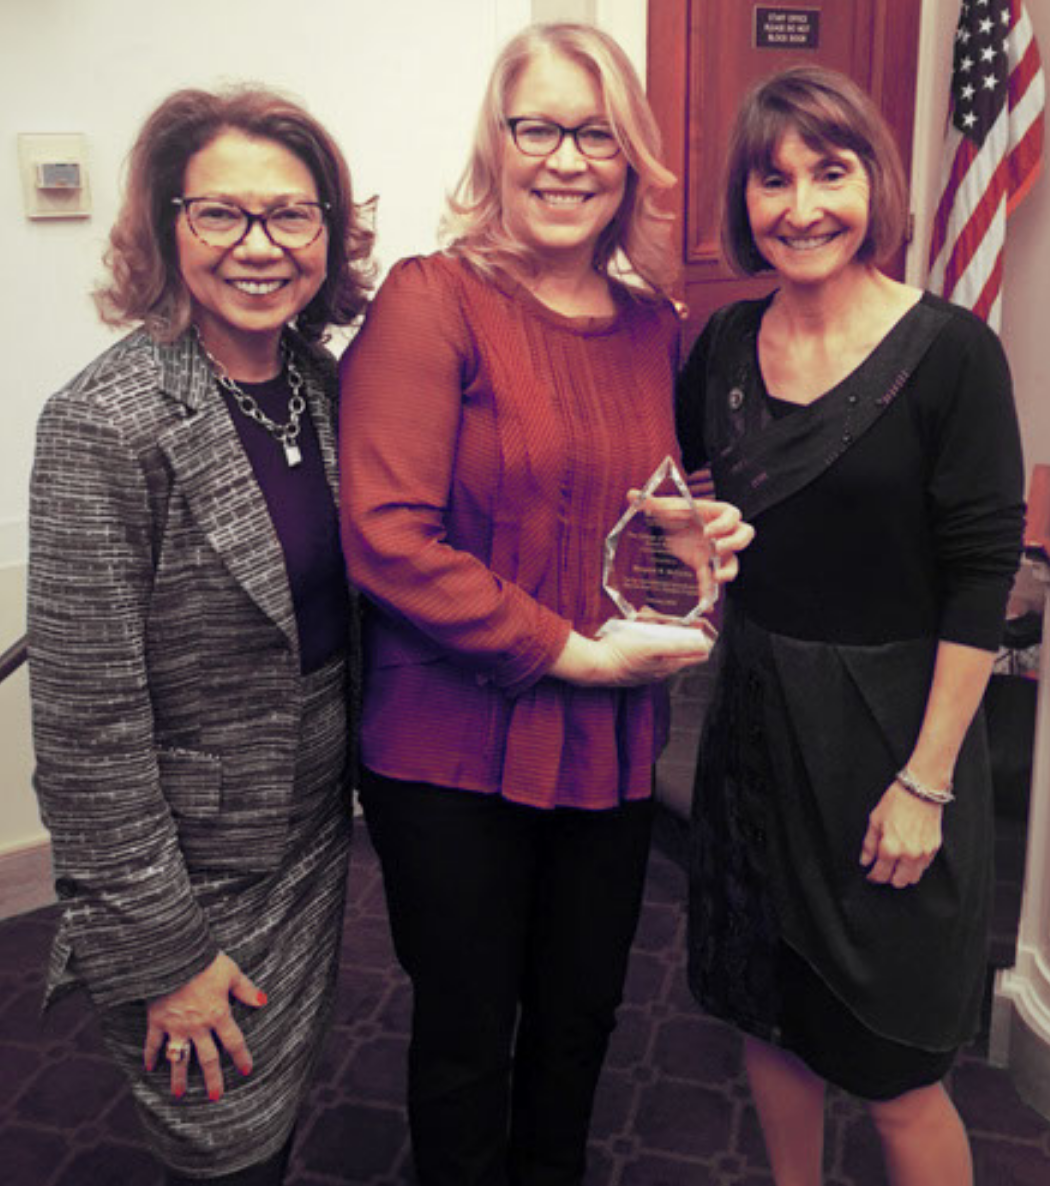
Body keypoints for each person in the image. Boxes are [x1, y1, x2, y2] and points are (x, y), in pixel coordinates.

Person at [339, 21, 753, 1186]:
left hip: (609, 746)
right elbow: (386, 536)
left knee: (581, 1023)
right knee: (468, 1039)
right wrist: (568, 652)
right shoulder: (433, 300)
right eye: (541, 129)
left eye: (597, 134)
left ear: (631, 162)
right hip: (452, 752)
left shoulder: (654, 329)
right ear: (498, 144)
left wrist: (701, 545)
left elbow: (652, 512)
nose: (568, 159)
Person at [676, 65, 1025, 1186]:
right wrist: (696, 546)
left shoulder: (953, 353)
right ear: (745, 202)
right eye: (772, 180)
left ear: (876, 182)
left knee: (896, 1068)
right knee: (766, 1010)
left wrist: (926, 783)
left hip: (894, 738)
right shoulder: (723, 347)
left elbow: (982, 578)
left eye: (831, 171)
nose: (802, 205)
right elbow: (706, 505)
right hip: (753, 727)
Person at [27, 85, 374, 1185]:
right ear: (167, 225)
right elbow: (87, 726)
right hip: (183, 870)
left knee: (280, 1105)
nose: (261, 246)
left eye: (292, 214)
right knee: (219, 1137)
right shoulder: (105, 419)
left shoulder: (322, 386)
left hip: (313, 834)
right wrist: (165, 955)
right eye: (222, 214)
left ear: (329, 227)